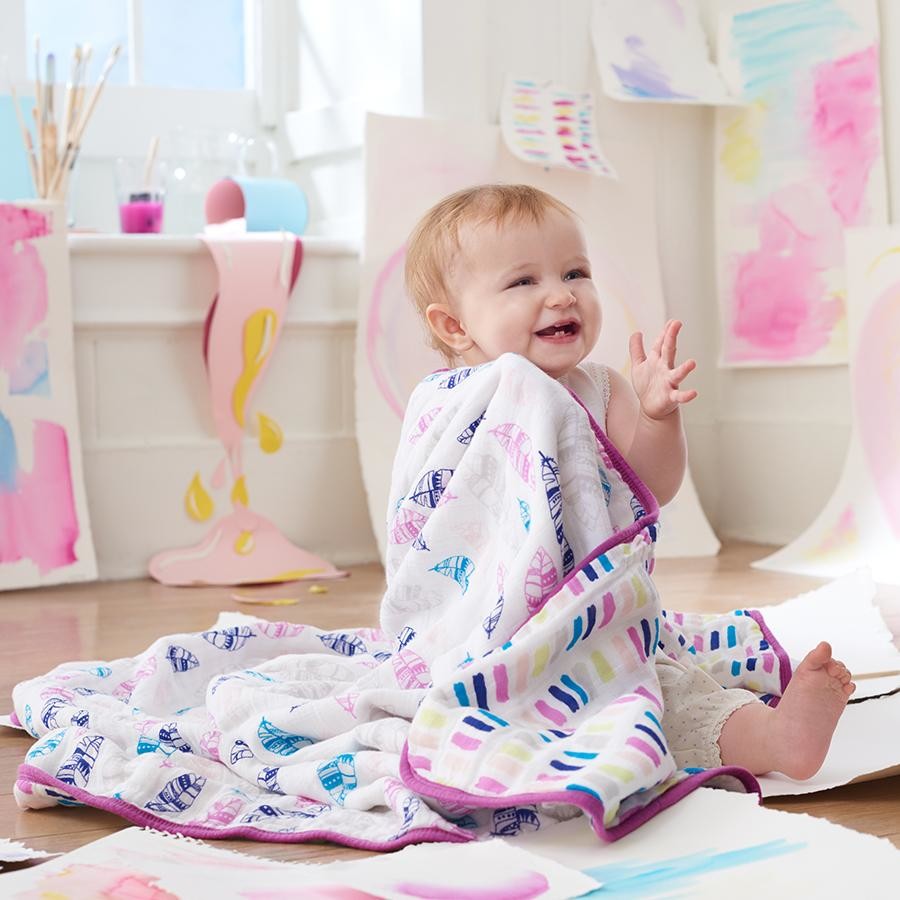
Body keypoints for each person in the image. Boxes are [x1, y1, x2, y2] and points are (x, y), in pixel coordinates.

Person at [403, 182, 854, 780]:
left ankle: (771, 737)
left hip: (598, 618)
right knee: (476, 703)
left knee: (656, 690)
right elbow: (428, 527)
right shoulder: (449, 405)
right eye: (524, 281)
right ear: (454, 325)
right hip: (491, 628)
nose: (561, 294)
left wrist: (657, 417)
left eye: (575, 272)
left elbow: (651, 485)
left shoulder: (600, 388)